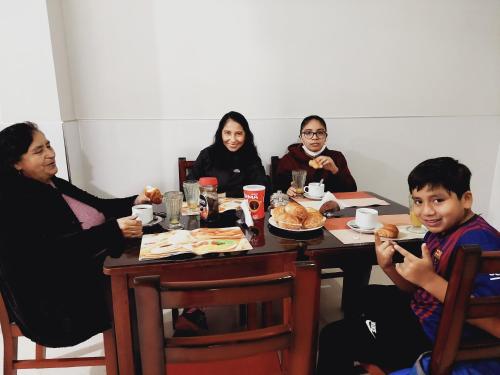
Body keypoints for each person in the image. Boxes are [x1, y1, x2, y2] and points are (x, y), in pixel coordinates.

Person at [316, 157, 500, 374]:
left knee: (333, 337)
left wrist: (430, 280)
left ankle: (380, 353)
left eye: (438, 200)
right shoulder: (438, 231)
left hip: (434, 336)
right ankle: (373, 352)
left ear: (466, 199)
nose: (427, 212)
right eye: (419, 201)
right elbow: (415, 289)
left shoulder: (481, 243)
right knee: (362, 296)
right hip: (423, 311)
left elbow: (494, 325)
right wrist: (388, 267)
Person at [0, 122, 150, 347]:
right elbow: (52, 252)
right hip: (57, 306)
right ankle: (141, 357)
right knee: (141, 283)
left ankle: (145, 350)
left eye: (49, 146)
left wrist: (135, 201)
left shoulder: (52, 183)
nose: (51, 154)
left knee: (146, 265)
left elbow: (98, 207)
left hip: (82, 276)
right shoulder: (13, 201)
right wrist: (112, 230)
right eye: (39, 151)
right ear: (16, 163)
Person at [187, 111, 269, 199]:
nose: (233, 140)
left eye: (238, 133)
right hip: (209, 209)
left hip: (241, 211)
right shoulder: (207, 154)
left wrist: (221, 195)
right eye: (227, 133)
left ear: (246, 135)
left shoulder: (252, 157)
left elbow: (261, 188)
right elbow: (189, 187)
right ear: (220, 133)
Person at [274, 115, 356, 196]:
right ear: (301, 138)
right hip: (301, 207)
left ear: (326, 137)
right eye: (308, 133)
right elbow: (277, 190)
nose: (315, 137)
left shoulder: (336, 157)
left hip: (332, 207)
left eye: (320, 132)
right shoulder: (289, 159)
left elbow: (352, 190)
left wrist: (335, 170)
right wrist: (287, 191)